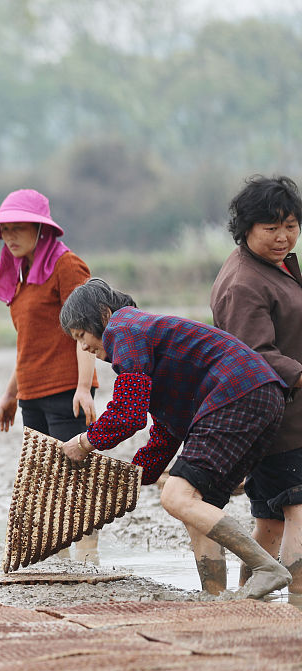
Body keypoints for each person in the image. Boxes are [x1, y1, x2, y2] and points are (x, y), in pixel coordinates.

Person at [59, 278, 291, 600]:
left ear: (101, 313)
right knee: (195, 506)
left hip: (236, 393)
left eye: (81, 336)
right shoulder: (145, 339)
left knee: (175, 496)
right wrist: (133, 476)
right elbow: (167, 432)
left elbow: (128, 414)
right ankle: (215, 596)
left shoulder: (122, 326)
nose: (83, 347)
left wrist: (85, 442)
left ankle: (267, 568)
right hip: (262, 394)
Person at [0, 188, 100, 560]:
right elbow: (28, 341)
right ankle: (59, 556)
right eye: (5, 230)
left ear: (41, 230)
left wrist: (83, 387)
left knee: (75, 472)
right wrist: (11, 393)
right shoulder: (20, 271)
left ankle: (88, 556)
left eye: (18, 228)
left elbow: (89, 329)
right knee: (44, 477)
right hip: (32, 389)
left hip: (66, 388)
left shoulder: (67, 266)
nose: (10, 237)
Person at [211, 175, 302, 593]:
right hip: (281, 419)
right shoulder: (243, 282)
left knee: (270, 516)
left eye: (291, 225)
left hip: (277, 417)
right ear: (246, 228)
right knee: (298, 511)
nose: (284, 237)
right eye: (272, 228)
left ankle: (251, 598)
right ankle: (297, 601)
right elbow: (256, 354)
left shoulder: (273, 266)